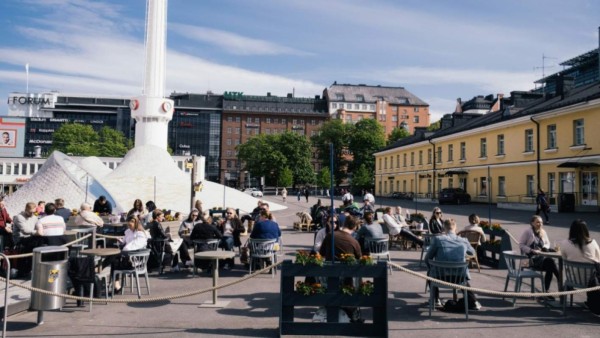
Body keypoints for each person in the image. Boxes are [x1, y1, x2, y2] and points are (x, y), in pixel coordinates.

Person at [425, 219, 482, 310]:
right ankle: (473, 301)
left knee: (430, 272)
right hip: (458, 278)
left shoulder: (438, 239)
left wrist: (431, 267)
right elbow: (473, 253)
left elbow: (427, 259)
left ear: (444, 228)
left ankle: (435, 300)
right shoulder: (464, 240)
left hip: (440, 277)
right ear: (455, 228)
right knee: (463, 277)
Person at [519, 215, 560, 301]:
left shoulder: (543, 232)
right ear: (532, 223)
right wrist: (531, 250)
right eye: (537, 222)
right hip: (528, 260)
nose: (540, 224)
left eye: (541, 222)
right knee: (550, 262)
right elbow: (521, 245)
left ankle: (546, 292)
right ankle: (559, 283)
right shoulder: (527, 232)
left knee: (550, 264)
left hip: (541, 258)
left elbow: (548, 243)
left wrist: (545, 247)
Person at [111, 216, 149, 293]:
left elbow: (133, 246)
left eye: (131, 224)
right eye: (128, 224)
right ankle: (116, 285)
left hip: (135, 261)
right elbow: (125, 243)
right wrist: (120, 241)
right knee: (114, 260)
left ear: (136, 223)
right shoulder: (128, 231)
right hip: (127, 257)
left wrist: (123, 250)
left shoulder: (141, 234)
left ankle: (100, 269)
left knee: (114, 259)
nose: (129, 225)